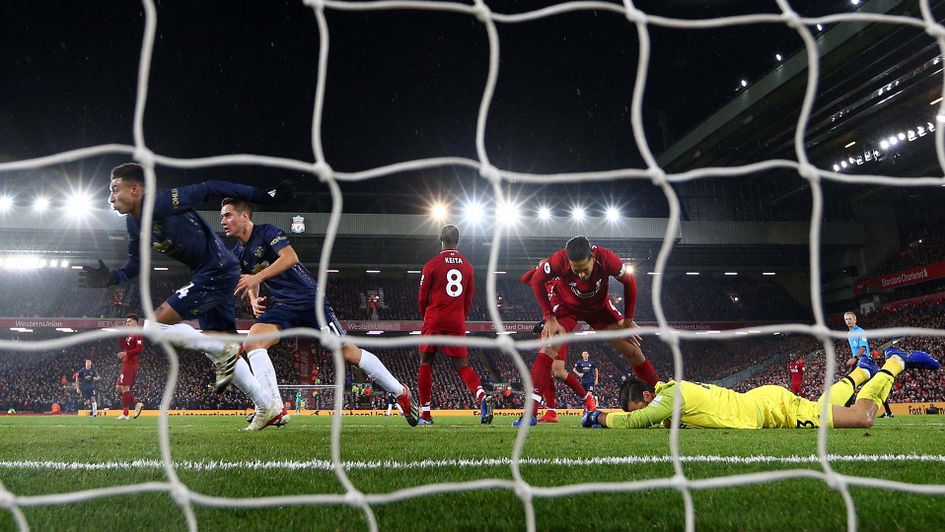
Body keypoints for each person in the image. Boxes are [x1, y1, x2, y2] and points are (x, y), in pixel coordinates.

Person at [78, 162, 294, 425]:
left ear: (135, 189)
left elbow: (210, 187)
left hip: (217, 270)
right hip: (215, 272)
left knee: (154, 325)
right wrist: (112, 277)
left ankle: (227, 352)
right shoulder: (134, 225)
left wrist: (266, 196)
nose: (110, 198)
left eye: (114, 190)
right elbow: (135, 263)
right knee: (217, 351)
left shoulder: (160, 203)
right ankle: (269, 409)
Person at [220, 196, 417, 429]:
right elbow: (250, 277)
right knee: (253, 341)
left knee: (348, 353)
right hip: (284, 306)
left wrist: (258, 278)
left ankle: (400, 392)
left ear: (245, 216)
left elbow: (290, 258)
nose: (223, 220)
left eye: (227, 215)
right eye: (222, 215)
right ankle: (273, 407)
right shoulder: (239, 253)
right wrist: (253, 299)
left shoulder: (268, 232)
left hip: (310, 301)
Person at [583, 347, 939, 430]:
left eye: (641, 407)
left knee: (862, 419)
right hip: (764, 403)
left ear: (647, 397)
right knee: (817, 405)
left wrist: (598, 416)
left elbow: (635, 422)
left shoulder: (668, 397)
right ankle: (862, 373)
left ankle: (894, 362)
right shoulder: (673, 395)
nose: (645, 413)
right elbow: (664, 419)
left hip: (772, 410)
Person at [515, 236, 658, 427]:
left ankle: (664, 398)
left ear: (593, 257)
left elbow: (630, 281)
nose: (581, 275)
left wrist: (629, 319)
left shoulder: (607, 259)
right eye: (576, 271)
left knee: (633, 351)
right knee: (548, 347)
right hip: (566, 308)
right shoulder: (559, 260)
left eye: (585, 269)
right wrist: (549, 317)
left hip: (599, 308)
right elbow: (536, 281)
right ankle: (529, 415)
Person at [416, 224, 493, 426]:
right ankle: (481, 395)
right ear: (458, 241)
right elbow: (469, 298)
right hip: (457, 320)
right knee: (462, 365)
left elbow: (422, 297)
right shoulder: (467, 267)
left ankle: (425, 415)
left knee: (426, 362)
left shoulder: (432, 264)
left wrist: (427, 316)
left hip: (434, 318)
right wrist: (459, 317)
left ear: (440, 239)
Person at [115, 314, 145, 420]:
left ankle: (127, 413)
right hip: (126, 362)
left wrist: (125, 353)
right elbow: (126, 347)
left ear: (136, 322)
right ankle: (134, 405)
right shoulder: (130, 334)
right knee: (118, 388)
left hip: (131, 363)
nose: (127, 323)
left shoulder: (138, 333)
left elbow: (140, 349)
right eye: (127, 322)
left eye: (129, 321)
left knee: (124, 387)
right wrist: (120, 338)